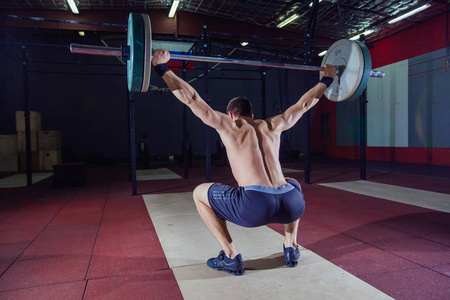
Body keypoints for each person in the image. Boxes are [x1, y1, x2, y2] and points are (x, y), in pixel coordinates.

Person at [152, 49, 336, 276]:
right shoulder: (273, 125)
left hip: (255, 207)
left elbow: (191, 98)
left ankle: (230, 256)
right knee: (292, 182)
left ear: (231, 115)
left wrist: (161, 67)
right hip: (292, 205)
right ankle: (291, 247)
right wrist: (327, 79)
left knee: (199, 193)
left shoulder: (229, 126)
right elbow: (305, 104)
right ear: (252, 114)